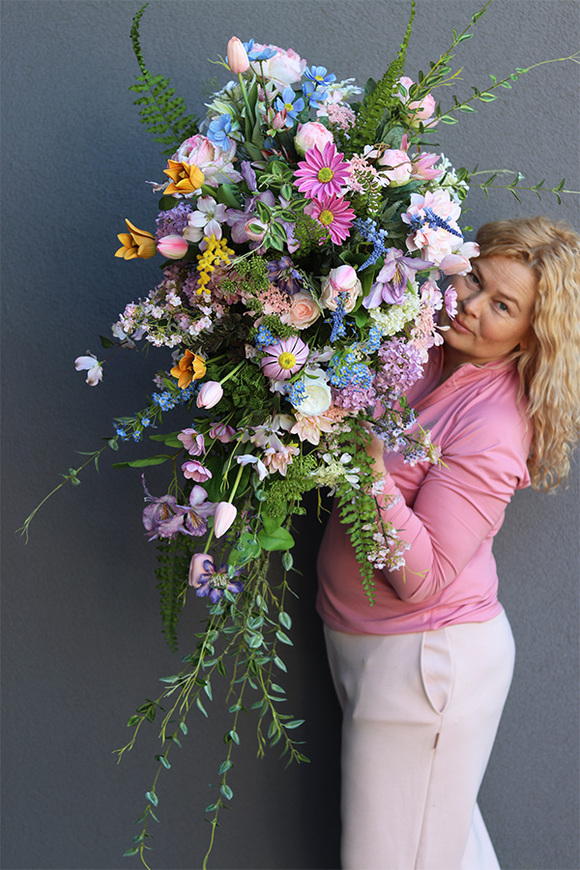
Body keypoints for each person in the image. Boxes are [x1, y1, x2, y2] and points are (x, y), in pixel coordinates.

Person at [316, 215, 580, 870]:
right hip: (376, 654)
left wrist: (370, 471)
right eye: (475, 280)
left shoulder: (494, 424)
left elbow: (424, 575)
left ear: (530, 336)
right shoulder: (428, 350)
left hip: (425, 666)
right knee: (442, 853)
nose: (471, 305)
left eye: (502, 306)